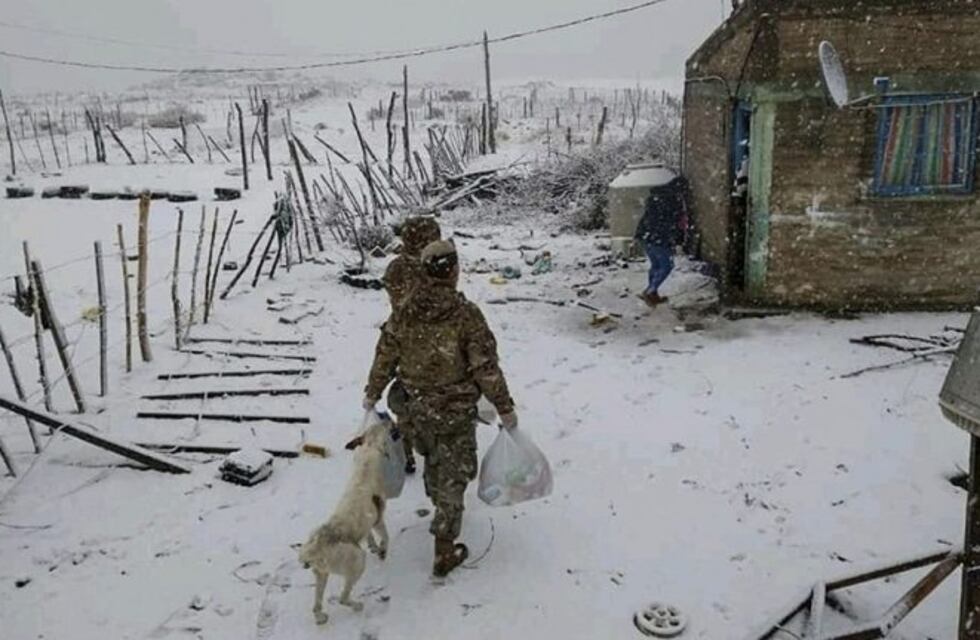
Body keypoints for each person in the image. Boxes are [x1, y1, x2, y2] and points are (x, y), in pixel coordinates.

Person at [362, 240, 517, 578]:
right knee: (453, 478)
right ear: (454, 271)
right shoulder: (466, 316)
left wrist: (372, 393)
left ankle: (437, 496)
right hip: (453, 414)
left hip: (415, 411)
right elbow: (486, 368)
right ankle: (444, 552)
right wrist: (505, 409)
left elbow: (385, 356)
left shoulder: (403, 312)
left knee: (433, 458)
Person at [382, 216, 442, 474]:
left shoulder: (395, 267)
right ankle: (435, 448)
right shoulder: (438, 264)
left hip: (405, 339)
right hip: (438, 340)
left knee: (405, 396)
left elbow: (391, 293)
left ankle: (408, 450)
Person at [635, 177, 683, 307]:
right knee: (667, 266)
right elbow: (671, 223)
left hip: (645, 236)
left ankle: (652, 293)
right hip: (658, 238)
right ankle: (650, 291)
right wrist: (677, 239)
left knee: (656, 265)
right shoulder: (671, 201)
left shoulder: (656, 198)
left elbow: (650, 218)